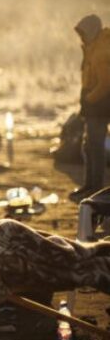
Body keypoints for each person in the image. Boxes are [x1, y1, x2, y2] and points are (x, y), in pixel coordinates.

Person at [70, 14, 110, 203]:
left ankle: (95, 188)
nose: (81, 37)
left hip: (100, 105)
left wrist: (89, 99)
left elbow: (105, 83)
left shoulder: (101, 51)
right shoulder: (92, 47)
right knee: (89, 146)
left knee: (95, 147)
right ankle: (90, 185)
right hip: (93, 104)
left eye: (83, 32)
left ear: (91, 31)